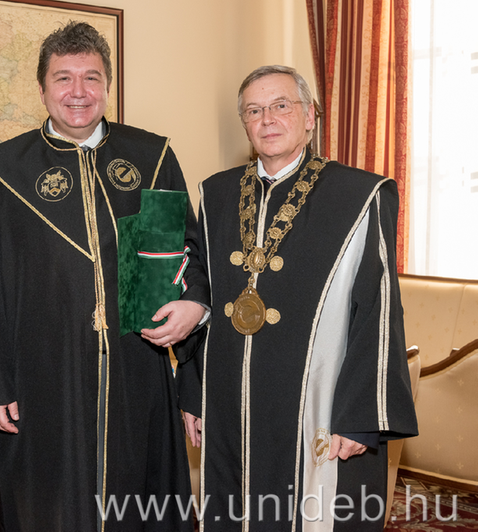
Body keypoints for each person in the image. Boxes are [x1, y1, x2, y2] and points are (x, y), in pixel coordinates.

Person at [0, 21, 209, 531]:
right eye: (64, 78)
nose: (78, 92)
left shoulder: (150, 157)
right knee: (50, 505)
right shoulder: (3, 170)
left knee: (137, 501)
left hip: (136, 369)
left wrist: (192, 314)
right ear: (42, 89)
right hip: (41, 377)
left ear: (108, 87)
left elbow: (179, 256)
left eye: (91, 78)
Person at [178, 65, 418, 531]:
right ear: (245, 124)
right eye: (254, 111)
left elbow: (379, 311)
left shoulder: (361, 195)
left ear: (310, 116)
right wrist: (193, 390)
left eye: (281, 106)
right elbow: (200, 297)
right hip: (229, 401)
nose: (267, 119)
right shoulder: (216, 193)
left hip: (318, 403)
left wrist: (362, 416)